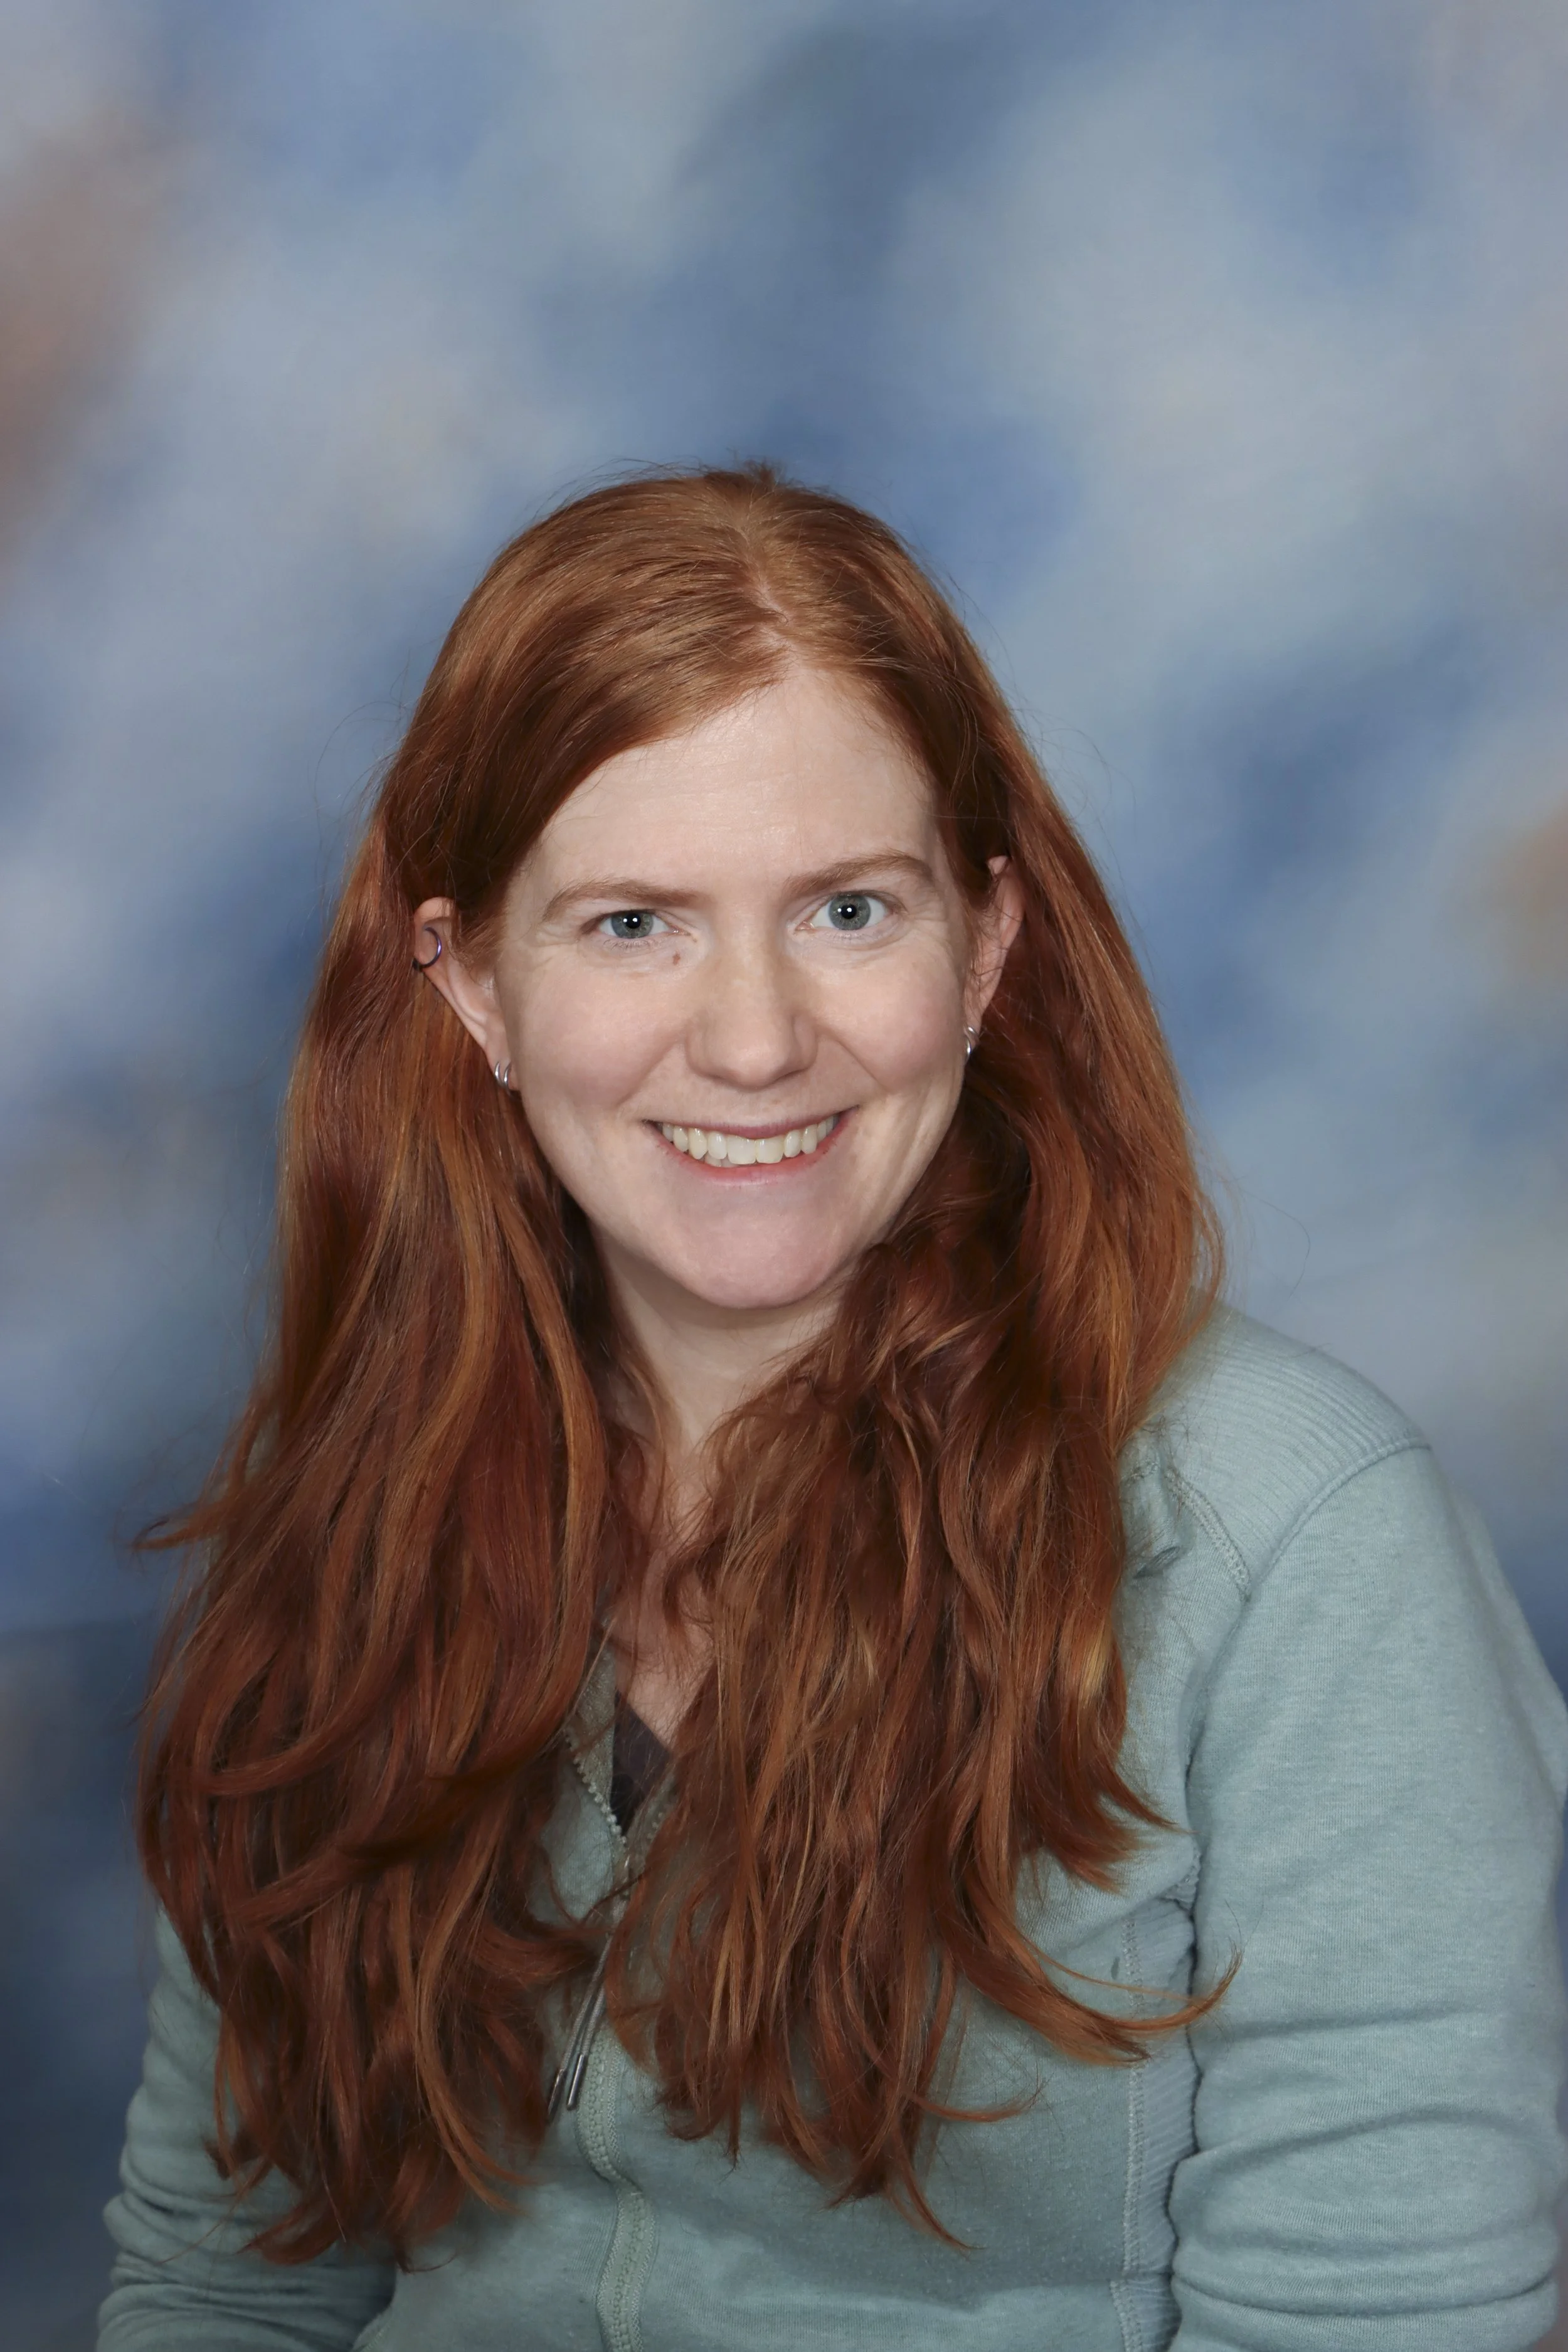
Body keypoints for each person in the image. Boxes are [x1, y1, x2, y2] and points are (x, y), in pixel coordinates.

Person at [99, 464, 1567, 2351]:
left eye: (848, 909)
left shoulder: (1291, 1531)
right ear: (469, 982)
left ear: (988, 943)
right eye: (631, 923)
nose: (752, 1036)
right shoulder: (360, 1504)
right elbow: (225, 2282)